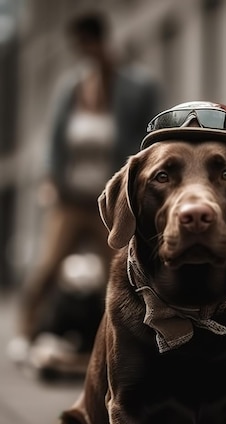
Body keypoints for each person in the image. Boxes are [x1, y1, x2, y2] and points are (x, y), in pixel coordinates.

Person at [10, 11, 161, 363]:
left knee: (122, 270)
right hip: (71, 199)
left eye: (86, 44)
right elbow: (55, 141)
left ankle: (128, 339)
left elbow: (149, 135)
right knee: (48, 266)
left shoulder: (134, 85)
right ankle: (25, 333)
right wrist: (51, 178)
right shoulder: (72, 87)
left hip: (108, 202)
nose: (82, 51)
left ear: (99, 40)